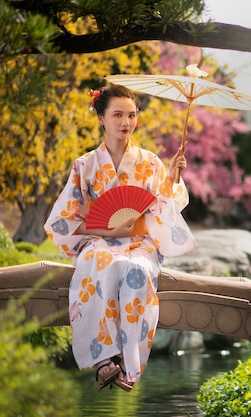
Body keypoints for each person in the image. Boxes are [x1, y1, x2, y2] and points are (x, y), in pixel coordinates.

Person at [44, 84, 196, 392]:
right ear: (101, 118)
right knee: (97, 263)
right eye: (117, 114)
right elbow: (64, 221)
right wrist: (108, 231)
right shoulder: (84, 165)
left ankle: (129, 362)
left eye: (131, 115)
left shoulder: (150, 162)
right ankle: (103, 360)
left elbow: (166, 207)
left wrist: (171, 177)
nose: (126, 122)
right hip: (99, 240)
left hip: (140, 243)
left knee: (135, 271)